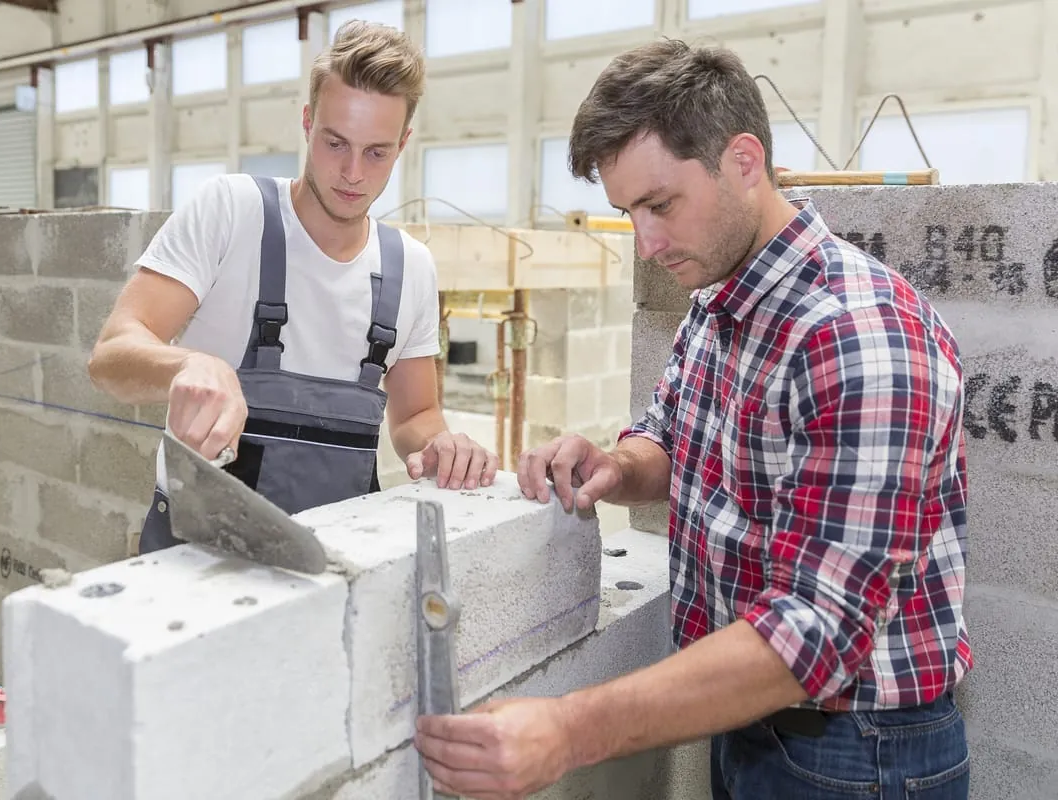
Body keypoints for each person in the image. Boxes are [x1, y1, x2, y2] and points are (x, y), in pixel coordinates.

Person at [414, 37, 972, 800]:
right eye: (626, 211)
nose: (644, 241)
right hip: (750, 718)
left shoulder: (857, 339)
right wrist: (616, 466)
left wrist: (569, 731)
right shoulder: (718, 301)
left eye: (659, 204)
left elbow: (815, 633)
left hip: (858, 752)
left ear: (743, 161)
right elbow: (673, 442)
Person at [88, 20, 498, 554]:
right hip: (198, 553)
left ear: (403, 144)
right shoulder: (231, 212)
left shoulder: (410, 267)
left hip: (336, 561)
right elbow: (110, 357)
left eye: (377, 152)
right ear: (307, 123)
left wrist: (443, 446)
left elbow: (416, 416)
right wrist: (185, 365)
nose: (352, 172)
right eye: (335, 143)